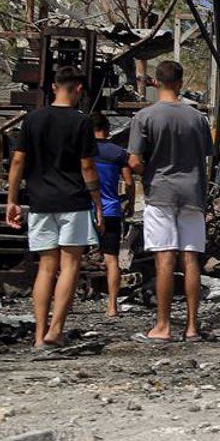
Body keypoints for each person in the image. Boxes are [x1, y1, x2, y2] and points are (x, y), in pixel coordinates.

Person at [4, 65, 99, 352]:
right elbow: (87, 166)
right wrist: (97, 202)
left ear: (55, 87)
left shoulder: (32, 120)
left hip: (40, 202)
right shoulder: (82, 122)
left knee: (46, 268)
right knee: (70, 266)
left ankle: (38, 334)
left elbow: (18, 161)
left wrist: (12, 199)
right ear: (79, 89)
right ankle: (55, 331)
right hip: (73, 202)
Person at [128, 59, 213, 343]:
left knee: (164, 258)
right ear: (180, 82)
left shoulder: (145, 116)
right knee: (191, 258)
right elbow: (206, 155)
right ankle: (192, 327)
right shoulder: (198, 118)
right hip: (193, 192)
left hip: (160, 192)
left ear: (156, 82)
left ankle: (163, 326)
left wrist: (147, 172)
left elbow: (134, 161)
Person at [90, 112, 131, 319]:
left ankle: (65, 304)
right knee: (112, 259)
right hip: (111, 210)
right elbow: (129, 182)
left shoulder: (83, 151)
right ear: (107, 130)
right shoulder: (118, 153)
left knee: (71, 259)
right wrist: (129, 202)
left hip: (84, 210)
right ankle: (112, 306)